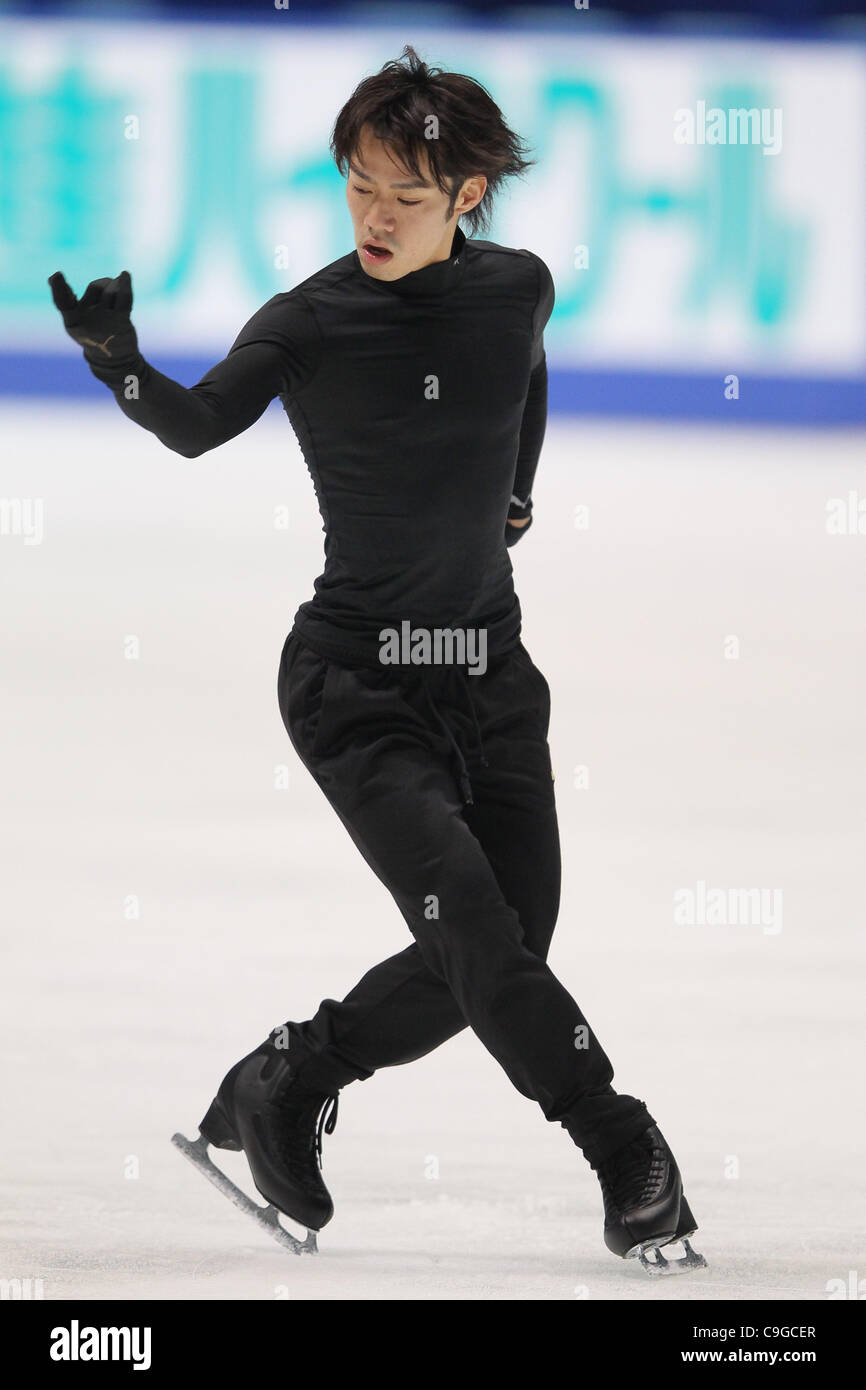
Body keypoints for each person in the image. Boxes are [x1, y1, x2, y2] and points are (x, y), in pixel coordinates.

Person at [50, 45, 704, 1274]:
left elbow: (528, 362)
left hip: (491, 676)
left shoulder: (518, 287)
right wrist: (121, 365)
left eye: (404, 196)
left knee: (503, 944)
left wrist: (515, 492)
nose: (373, 217)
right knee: (481, 937)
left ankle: (285, 1079)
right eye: (356, 188)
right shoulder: (309, 320)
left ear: (465, 196)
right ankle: (624, 1146)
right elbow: (198, 427)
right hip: (356, 686)